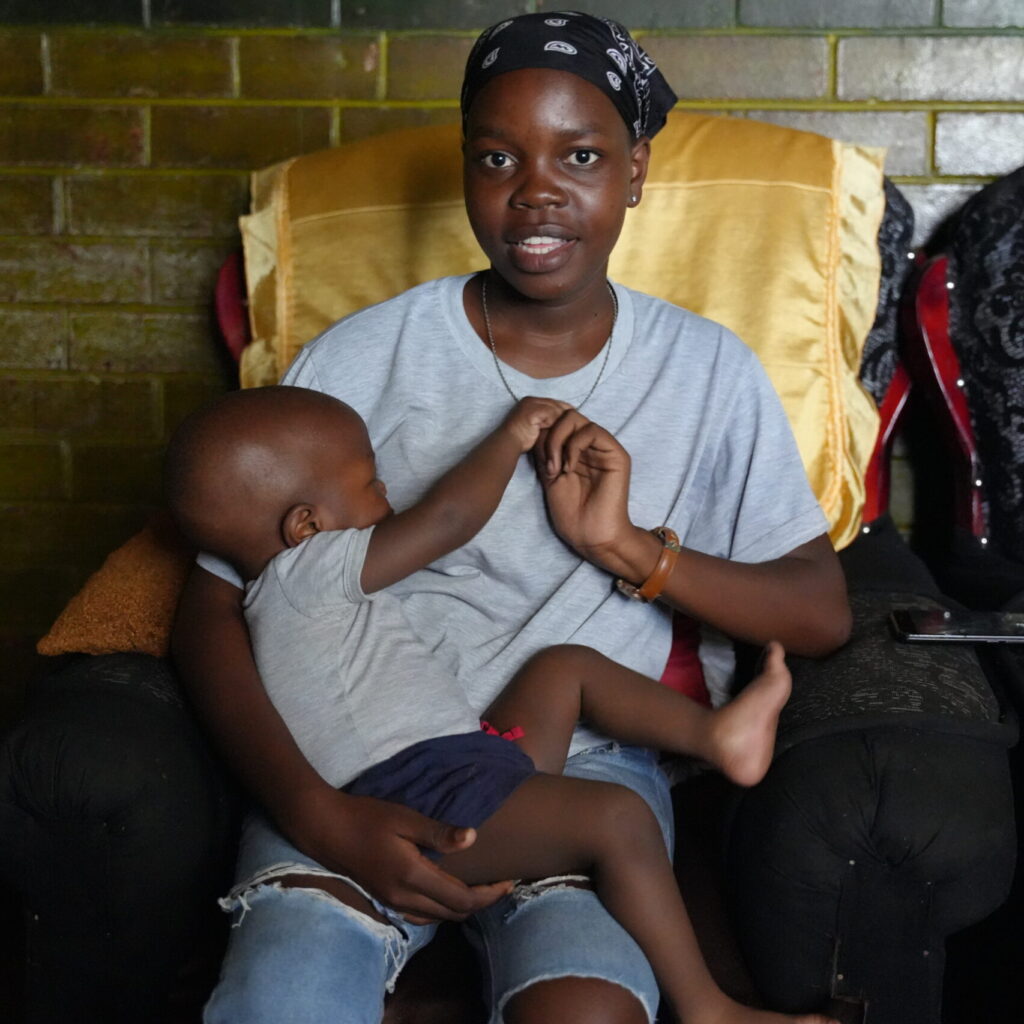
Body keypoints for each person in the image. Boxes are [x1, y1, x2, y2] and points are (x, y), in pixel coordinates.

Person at [172, 12, 852, 1023]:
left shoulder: (708, 370)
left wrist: (629, 551)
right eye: (497, 157)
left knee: (584, 1011)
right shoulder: (357, 360)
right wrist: (320, 814)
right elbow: (210, 609)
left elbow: (819, 610)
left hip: (567, 760)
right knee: (285, 1000)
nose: (535, 189)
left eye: (580, 154)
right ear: (465, 171)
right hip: (351, 763)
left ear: (634, 172)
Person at [166, 383, 835, 1024]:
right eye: (370, 483)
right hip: (423, 797)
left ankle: (715, 735)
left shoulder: (278, 594)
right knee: (618, 818)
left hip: (461, 761)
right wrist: (510, 436)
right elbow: (449, 520)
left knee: (561, 668)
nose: (387, 491)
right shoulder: (308, 570)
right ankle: (708, 1008)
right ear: (307, 524)